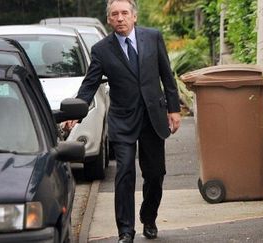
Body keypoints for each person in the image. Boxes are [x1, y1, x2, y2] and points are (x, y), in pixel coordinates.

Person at [63, 0, 181, 242]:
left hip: (152, 118)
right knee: (124, 173)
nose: (120, 18)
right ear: (109, 20)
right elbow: (90, 84)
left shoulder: (153, 37)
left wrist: (174, 108)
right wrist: (77, 111)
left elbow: (166, 75)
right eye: (115, 14)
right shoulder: (101, 50)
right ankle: (125, 231)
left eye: (124, 13)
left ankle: (149, 217)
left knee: (155, 174)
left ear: (134, 16)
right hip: (123, 120)